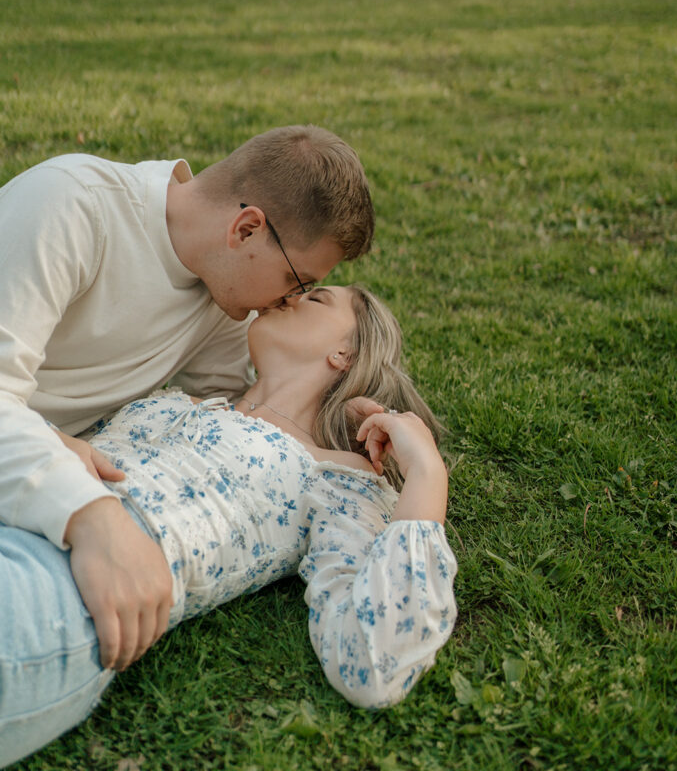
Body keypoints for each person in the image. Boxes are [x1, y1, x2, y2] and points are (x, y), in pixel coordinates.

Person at [0, 284, 457, 767]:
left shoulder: (334, 475)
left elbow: (373, 662)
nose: (289, 295)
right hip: (33, 511)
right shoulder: (185, 401)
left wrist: (428, 473)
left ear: (345, 353)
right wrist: (61, 445)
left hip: (71, 589)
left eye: (317, 298)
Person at [0, 126, 374, 672]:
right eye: (298, 283)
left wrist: (337, 413)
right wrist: (89, 511)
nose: (286, 303)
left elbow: (229, 421)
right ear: (246, 229)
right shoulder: (73, 205)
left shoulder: (224, 303)